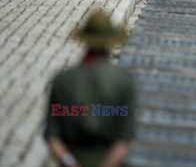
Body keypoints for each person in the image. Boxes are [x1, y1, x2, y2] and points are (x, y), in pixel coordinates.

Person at [45, 9, 134, 167]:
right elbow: (123, 141)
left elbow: (53, 137)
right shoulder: (123, 82)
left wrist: (70, 162)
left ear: (85, 40)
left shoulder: (62, 81)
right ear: (109, 42)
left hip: (73, 158)